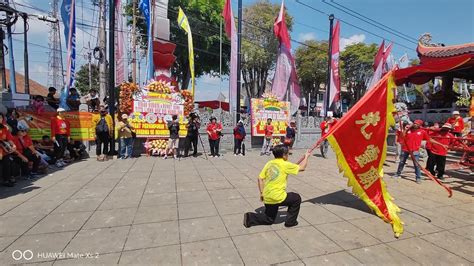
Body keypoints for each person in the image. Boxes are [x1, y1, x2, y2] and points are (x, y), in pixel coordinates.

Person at [243, 145, 311, 228]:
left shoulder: (269, 163)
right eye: (287, 154)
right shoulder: (285, 164)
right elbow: (302, 168)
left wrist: (261, 193)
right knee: (296, 198)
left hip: (267, 196)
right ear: (284, 155)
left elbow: (260, 178)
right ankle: (290, 222)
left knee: (269, 219)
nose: (288, 156)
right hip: (277, 197)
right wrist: (306, 157)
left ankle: (250, 217)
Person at [0, 114, 16, 187]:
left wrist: (13, 145)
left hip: (4, 149)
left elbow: (9, 138)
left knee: (6, 165)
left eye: (0, 118)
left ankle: (6, 180)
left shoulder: (5, 128)